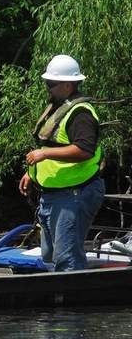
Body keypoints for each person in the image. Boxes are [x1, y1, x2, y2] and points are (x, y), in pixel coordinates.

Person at [19, 54, 104, 271]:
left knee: (67, 258)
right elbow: (51, 145)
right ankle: (57, 298)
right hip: (54, 194)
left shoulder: (80, 113)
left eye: (51, 84)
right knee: (49, 255)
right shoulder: (58, 107)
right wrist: (32, 172)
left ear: (67, 84)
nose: (47, 88)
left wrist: (44, 156)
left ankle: (72, 303)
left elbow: (84, 150)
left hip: (75, 194)